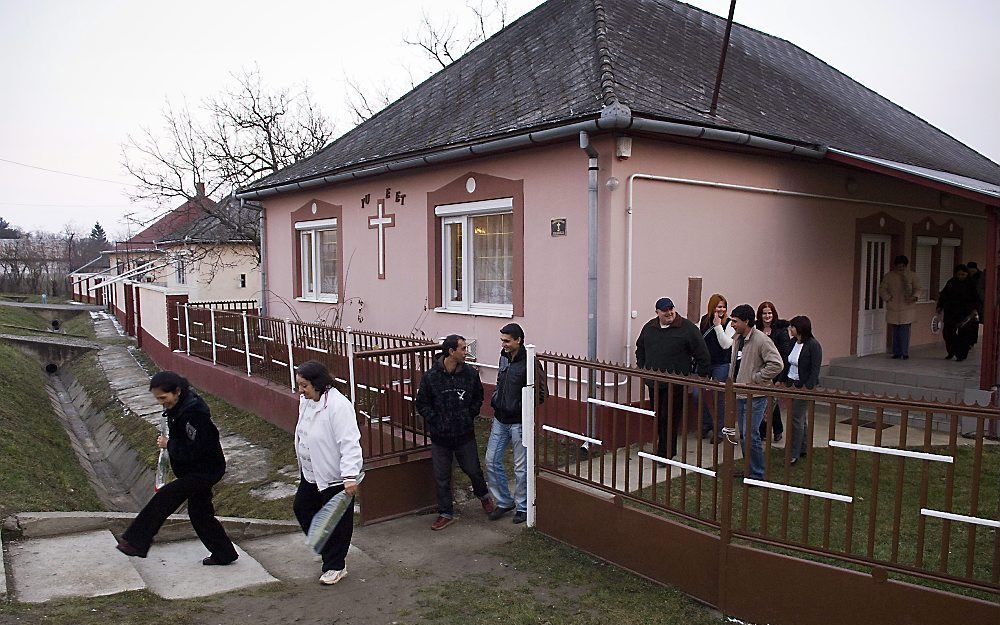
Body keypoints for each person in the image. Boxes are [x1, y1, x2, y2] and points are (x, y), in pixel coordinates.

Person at [116, 371, 239, 566]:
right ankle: (224, 553)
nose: (161, 402)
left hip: (205, 470)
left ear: (177, 391)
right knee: (200, 514)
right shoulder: (180, 407)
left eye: (164, 398)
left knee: (166, 497)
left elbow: (196, 448)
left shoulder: (194, 414)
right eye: (158, 399)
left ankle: (135, 542)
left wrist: (169, 444)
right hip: (194, 470)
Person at [292, 360, 363, 586]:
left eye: (304, 385)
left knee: (338, 523)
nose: (300, 390)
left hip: (334, 475)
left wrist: (350, 476)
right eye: (299, 385)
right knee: (302, 507)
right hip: (311, 473)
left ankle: (335, 566)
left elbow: (350, 442)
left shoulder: (338, 406)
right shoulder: (306, 402)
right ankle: (323, 547)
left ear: (319, 383)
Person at [415, 334, 495, 530]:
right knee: (442, 476)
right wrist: (435, 419)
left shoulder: (470, 374)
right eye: (463, 349)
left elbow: (478, 397)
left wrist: (469, 415)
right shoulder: (431, 376)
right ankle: (445, 513)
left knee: (473, 470)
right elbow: (422, 403)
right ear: (451, 352)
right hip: (440, 437)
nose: (466, 352)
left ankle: (484, 497)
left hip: (464, 434)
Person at [486, 323, 548, 524]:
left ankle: (523, 506)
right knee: (491, 461)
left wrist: (520, 407)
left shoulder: (530, 361)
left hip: (519, 422)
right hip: (500, 419)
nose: (503, 344)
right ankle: (504, 501)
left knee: (521, 468)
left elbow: (541, 393)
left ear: (518, 340)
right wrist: (497, 398)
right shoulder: (504, 356)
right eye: (502, 340)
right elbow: (500, 380)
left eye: (506, 340)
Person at [636, 297, 711, 458]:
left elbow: (702, 354)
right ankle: (661, 447)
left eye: (671, 309)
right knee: (658, 416)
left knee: (669, 418)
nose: (669, 313)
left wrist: (701, 376)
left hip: (676, 383)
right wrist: (643, 368)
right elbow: (640, 348)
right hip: (654, 383)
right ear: (657, 312)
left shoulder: (687, 328)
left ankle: (666, 453)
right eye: (665, 310)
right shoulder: (650, 328)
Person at [729, 304, 783, 480]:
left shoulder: (761, 340)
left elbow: (776, 364)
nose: (732, 324)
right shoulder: (737, 338)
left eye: (735, 321)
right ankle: (749, 469)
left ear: (746, 321)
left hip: (756, 395)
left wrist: (757, 378)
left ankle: (757, 474)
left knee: (751, 434)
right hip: (740, 393)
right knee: (744, 435)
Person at [784, 316, 822, 465]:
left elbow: (815, 369)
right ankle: (803, 447)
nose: (790, 329)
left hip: (804, 386)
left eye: (792, 327)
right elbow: (788, 363)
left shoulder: (813, 345)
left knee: (796, 419)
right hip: (791, 383)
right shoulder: (793, 342)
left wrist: (808, 387)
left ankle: (793, 452)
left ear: (799, 329)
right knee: (800, 419)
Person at [697, 294, 735, 441]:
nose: (722, 309)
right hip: (706, 363)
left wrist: (718, 325)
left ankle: (720, 430)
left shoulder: (730, 323)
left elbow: (726, 344)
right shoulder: (704, 320)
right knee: (696, 393)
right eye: (719, 306)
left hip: (722, 363)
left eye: (724, 306)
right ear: (712, 307)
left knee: (719, 396)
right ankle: (707, 423)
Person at [756, 301, 789, 443]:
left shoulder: (781, 331)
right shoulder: (756, 328)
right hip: (760, 370)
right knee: (763, 401)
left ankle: (776, 430)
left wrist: (781, 378)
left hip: (775, 371)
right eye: (764, 313)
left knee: (771, 402)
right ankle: (767, 431)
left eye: (769, 313)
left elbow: (784, 355)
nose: (767, 316)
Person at [878, 255, 923, 359]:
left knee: (904, 330)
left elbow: (919, 288)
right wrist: (888, 298)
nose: (900, 268)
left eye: (902, 266)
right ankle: (896, 352)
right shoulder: (889, 276)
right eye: (898, 266)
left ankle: (905, 352)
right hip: (894, 307)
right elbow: (882, 289)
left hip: (907, 307)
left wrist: (914, 297)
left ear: (905, 266)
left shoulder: (912, 275)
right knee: (896, 330)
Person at [937, 264, 979, 361]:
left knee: (964, 334)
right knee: (948, 333)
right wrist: (940, 306)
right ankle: (951, 352)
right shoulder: (951, 283)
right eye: (960, 275)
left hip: (965, 313)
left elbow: (976, 299)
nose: (962, 277)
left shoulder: (970, 285)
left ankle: (961, 355)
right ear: (956, 274)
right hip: (950, 312)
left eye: (964, 275)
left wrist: (974, 309)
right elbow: (944, 295)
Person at [965, 261, 986, 340]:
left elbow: (979, 289)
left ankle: (973, 339)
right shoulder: (967, 277)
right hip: (971, 302)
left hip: (978, 303)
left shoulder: (980, 276)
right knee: (970, 321)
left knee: (975, 321)